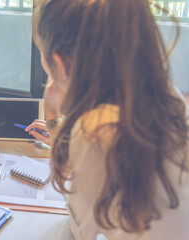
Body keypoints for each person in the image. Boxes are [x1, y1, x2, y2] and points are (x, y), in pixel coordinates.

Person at [27, 0, 189, 239]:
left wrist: (53, 114)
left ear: (61, 64)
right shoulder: (169, 95)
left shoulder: (93, 132)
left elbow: (82, 230)